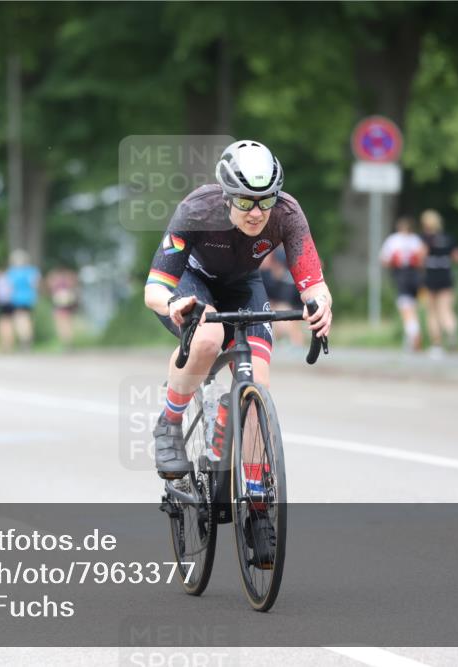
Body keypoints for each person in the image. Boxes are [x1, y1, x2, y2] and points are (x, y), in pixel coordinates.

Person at [143, 140, 332, 567]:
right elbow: (154, 288)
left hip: (245, 285)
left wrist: (322, 306)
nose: (256, 212)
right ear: (226, 194)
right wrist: (174, 305)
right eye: (245, 200)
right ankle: (169, 426)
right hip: (192, 286)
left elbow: (312, 282)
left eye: (264, 201)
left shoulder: (287, 212)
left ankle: (258, 506)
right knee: (208, 339)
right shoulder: (196, 209)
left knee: (255, 387)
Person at [419, 209, 458, 356]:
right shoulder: (447, 237)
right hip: (446, 275)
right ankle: (452, 336)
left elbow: (421, 256)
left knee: (432, 312)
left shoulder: (425, 238)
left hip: (431, 276)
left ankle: (437, 344)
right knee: (446, 310)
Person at [379, 216, 426, 351]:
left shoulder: (394, 240)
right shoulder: (416, 240)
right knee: (413, 307)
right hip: (416, 275)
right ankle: (411, 338)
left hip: (402, 275)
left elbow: (384, 259)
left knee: (405, 308)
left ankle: (414, 335)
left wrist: (394, 262)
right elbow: (422, 258)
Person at [259, 247, 305, 347]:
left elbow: (288, 304)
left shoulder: (289, 279)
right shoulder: (265, 275)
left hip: (296, 312)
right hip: (273, 311)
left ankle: (297, 348)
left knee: (283, 312)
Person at [6, 249, 40, 351]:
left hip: (17, 298)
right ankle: (27, 339)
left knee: (20, 319)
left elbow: (9, 287)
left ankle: (24, 339)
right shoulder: (32, 271)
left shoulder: (12, 272)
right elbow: (35, 285)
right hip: (29, 298)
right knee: (27, 318)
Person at [45, 266, 80, 348]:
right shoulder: (69, 277)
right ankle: (69, 342)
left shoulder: (54, 278)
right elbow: (74, 285)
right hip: (68, 303)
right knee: (68, 323)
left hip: (59, 303)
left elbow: (49, 288)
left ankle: (65, 342)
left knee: (60, 324)